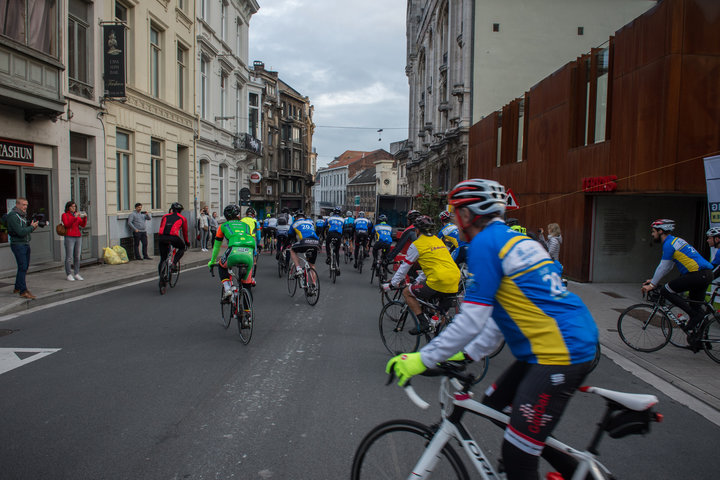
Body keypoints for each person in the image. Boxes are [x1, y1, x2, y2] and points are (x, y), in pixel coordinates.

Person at [386, 179, 599, 480]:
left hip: (559, 352)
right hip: (559, 343)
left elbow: (472, 318)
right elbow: (502, 317)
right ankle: (574, 471)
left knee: (517, 458)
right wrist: (467, 355)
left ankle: (534, 460)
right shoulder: (516, 240)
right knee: (496, 405)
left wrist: (422, 358)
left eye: (456, 212)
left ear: (469, 214)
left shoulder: (485, 244)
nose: (454, 220)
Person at [641, 219, 713, 349]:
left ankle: (695, 317)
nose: (652, 234)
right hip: (705, 274)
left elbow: (663, 266)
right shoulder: (676, 241)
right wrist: (654, 280)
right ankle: (700, 341)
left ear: (660, 231)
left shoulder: (668, 244)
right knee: (695, 306)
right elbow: (669, 266)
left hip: (696, 274)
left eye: (653, 231)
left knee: (666, 290)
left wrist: (652, 286)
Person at [384, 215, 460, 334]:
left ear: (417, 230)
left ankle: (424, 323)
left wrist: (392, 284)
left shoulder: (417, 244)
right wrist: (418, 281)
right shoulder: (437, 240)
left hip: (438, 280)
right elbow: (431, 266)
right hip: (454, 277)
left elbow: (404, 267)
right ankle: (438, 333)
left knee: (407, 292)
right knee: (440, 312)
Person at [208, 204, 257, 299]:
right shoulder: (246, 225)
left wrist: (212, 261)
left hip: (234, 250)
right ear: (238, 215)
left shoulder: (223, 226)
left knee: (221, 265)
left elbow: (216, 246)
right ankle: (248, 311)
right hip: (249, 253)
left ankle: (227, 288)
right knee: (247, 286)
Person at [6, 197, 39, 299]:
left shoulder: (22, 216)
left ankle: (17, 287)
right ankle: (23, 291)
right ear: (17, 205)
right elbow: (20, 232)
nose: (25, 207)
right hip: (18, 244)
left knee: (24, 267)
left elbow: (25, 231)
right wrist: (31, 227)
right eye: (23, 205)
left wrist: (32, 227)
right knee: (23, 266)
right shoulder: (13, 216)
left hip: (25, 243)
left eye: (26, 205)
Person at [157, 203, 189, 285]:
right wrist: (187, 242)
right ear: (180, 211)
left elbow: (161, 227)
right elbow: (185, 232)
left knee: (163, 259)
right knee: (182, 248)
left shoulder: (165, 216)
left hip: (162, 237)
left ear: (171, 209)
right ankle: (174, 263)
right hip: (173, 237)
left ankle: (161, 277)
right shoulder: (182, 218)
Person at [288, 211, 320, 277]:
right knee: (312, 265)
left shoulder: (294, 223)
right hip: (315, 243)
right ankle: (314, 284)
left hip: (305, 242)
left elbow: (290, 236)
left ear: (296, 218)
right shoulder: (310, 223)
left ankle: (298, 268)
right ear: (304, 217)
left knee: (292, 250)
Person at [62, 201, 87, 281]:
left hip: (78, 237)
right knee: (69, 257)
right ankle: (69, 274)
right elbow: (67, 224)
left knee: (77, 256)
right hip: (69, 236)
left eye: (75, 207)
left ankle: (76, 273)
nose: (74, 208)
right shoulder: (65, 215)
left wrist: (85, 218)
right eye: (72, 206)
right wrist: (74, 217)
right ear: (68, 207)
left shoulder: (76, 215)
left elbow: (82, 225)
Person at [324, 207, 344, 276]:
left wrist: (323, 236)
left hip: (331, 234)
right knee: (337, 252)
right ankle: (337, 267)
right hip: (338, 235)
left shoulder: (329, 218)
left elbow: (324, 226)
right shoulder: (342, 219)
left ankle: (329, 256)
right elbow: (343, 228)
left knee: (327, 244)